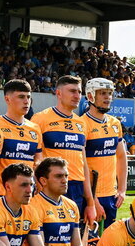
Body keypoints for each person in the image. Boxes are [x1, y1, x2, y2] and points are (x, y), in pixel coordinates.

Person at [29, 76, 99, 226]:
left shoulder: (81, 123)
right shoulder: (40, 119)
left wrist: (90, 202)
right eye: (72, 91)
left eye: (79, 92)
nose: (77, 96)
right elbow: (36, 158)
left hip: (76, 187)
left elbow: (83, 164)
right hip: (50, 187)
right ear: (58, 93)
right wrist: (39, 185)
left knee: (73, 236)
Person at [82, 78, 127, 227]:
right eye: (102, 93)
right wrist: (93, 200)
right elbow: (81, 166)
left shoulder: (115, 123)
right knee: (90, 244)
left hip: (111, 195)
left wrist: (122, 189)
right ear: (90, 96)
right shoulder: (82, 124)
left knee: (108, 245)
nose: (107, 97)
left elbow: (121, 156)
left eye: (109, 93)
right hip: (90, 196)